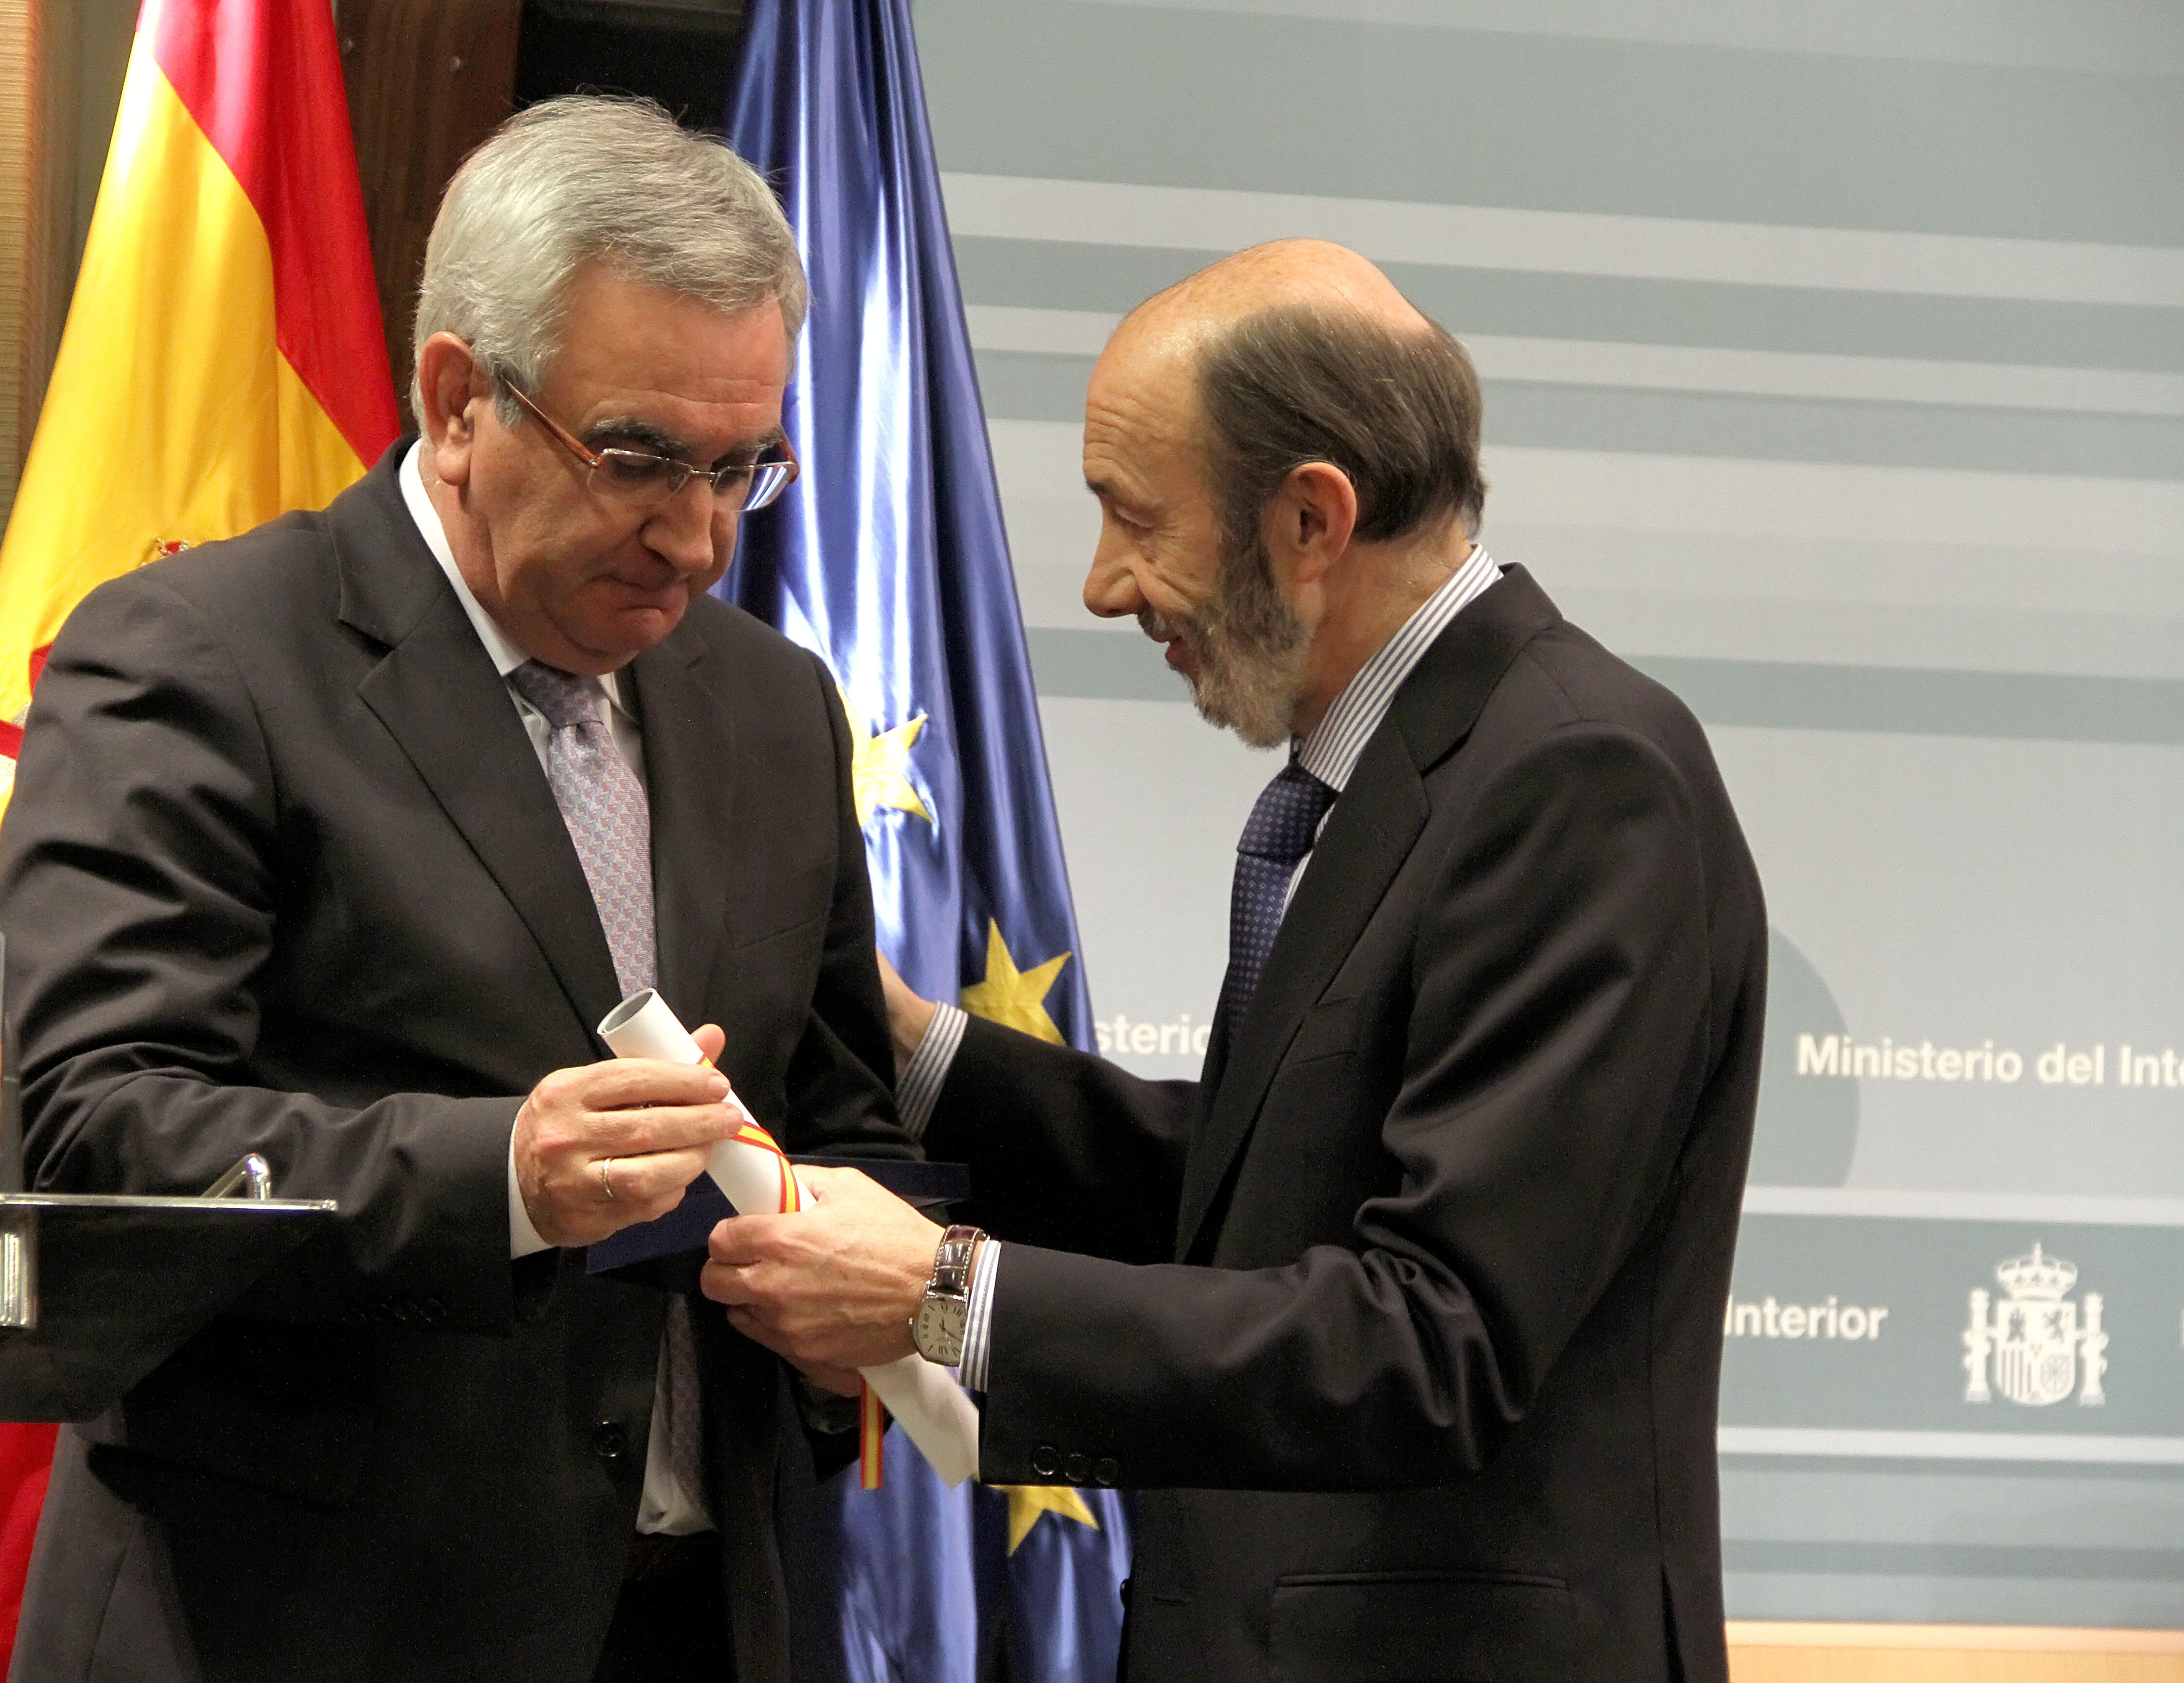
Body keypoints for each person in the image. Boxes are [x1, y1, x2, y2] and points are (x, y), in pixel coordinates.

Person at [701, 240, 1768, 1683]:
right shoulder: (1403, 771)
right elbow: (1261, 1198)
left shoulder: (1578, 778)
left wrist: (949, 1298)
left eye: (1136, 518)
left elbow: (1432, 1341)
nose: (1102, 585)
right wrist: (916, 1050)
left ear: (1312, 519)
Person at [0, 96, 910, 1683]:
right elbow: (94, 1135)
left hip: (704, 1619)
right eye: (640, 458)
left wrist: (860, 1310)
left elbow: (839, 1118)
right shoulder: (197, 659)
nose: (696, 538)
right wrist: (506, 1180)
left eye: (740, 469)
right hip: (300, 1625)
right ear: (457, 399)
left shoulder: (773, 705)